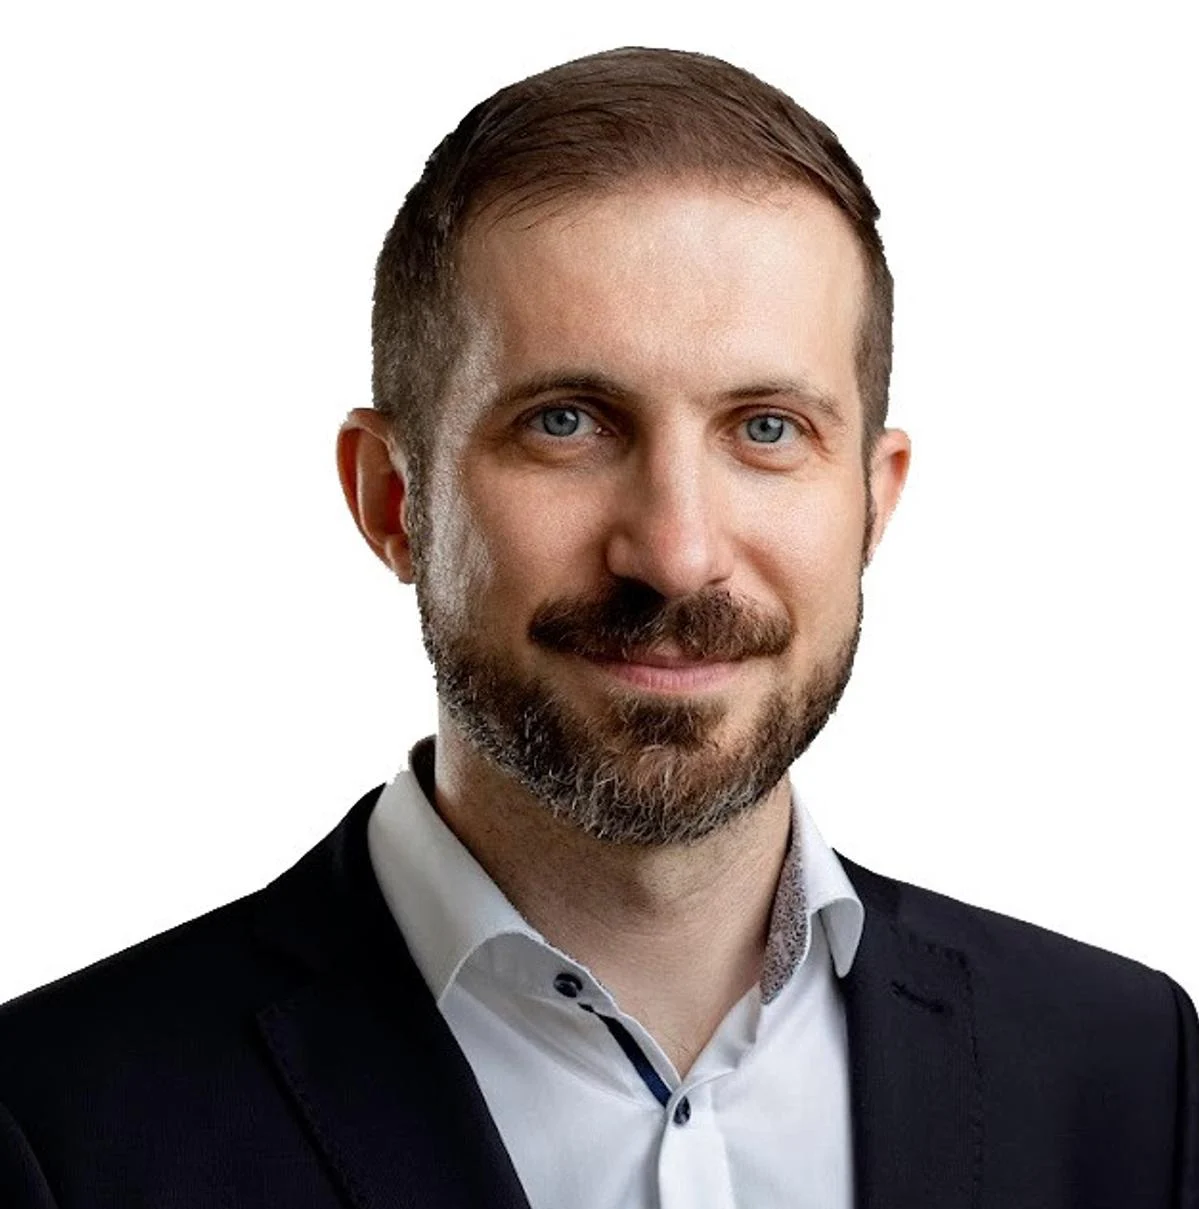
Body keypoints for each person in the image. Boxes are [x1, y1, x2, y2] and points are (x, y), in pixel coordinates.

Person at [1, 45, 1194, 1209]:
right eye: (566, 422)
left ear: (872, 503)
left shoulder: (1134, 1077)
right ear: (392, 500)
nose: (674, 553)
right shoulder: (52, 1124)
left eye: (765, 429)